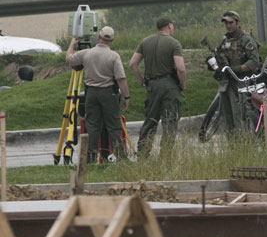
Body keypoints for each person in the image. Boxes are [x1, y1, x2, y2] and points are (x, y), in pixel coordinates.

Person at [66, 26, 130, 163]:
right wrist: (126, 96)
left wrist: (72, 44)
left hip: (91, 93)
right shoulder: (114, 56)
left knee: (92, 126)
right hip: (108, 93)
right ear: (111, 40)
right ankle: (121, 157)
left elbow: (69, 60)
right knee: (113, 125)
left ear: (99, 37)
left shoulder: (86, 53)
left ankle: (90, 158)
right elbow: (120, 79)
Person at [129, 17, 186, 157]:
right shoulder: (174, 43)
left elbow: (132, 64)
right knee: (170, 122)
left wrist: (142, 81)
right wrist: (182, 84)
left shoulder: (145, 41)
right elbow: (180, 68)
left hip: (152, 85)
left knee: (150, 120)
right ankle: (165, 155)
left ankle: (143, 153)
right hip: (169, 85)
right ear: (170, 26)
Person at [214, 10, 260, 131]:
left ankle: (242, 142)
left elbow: (254, 61)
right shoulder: (224, 41)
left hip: (241, 82)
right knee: (227, 113)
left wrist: (236, 70)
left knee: (239, 113)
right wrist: (214, 66)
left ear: (238, 22)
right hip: (225, 82)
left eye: (231, 22)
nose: (228, 26)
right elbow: (219, 56)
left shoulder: (246, 39)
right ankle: (233, 143)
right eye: (226, 23)